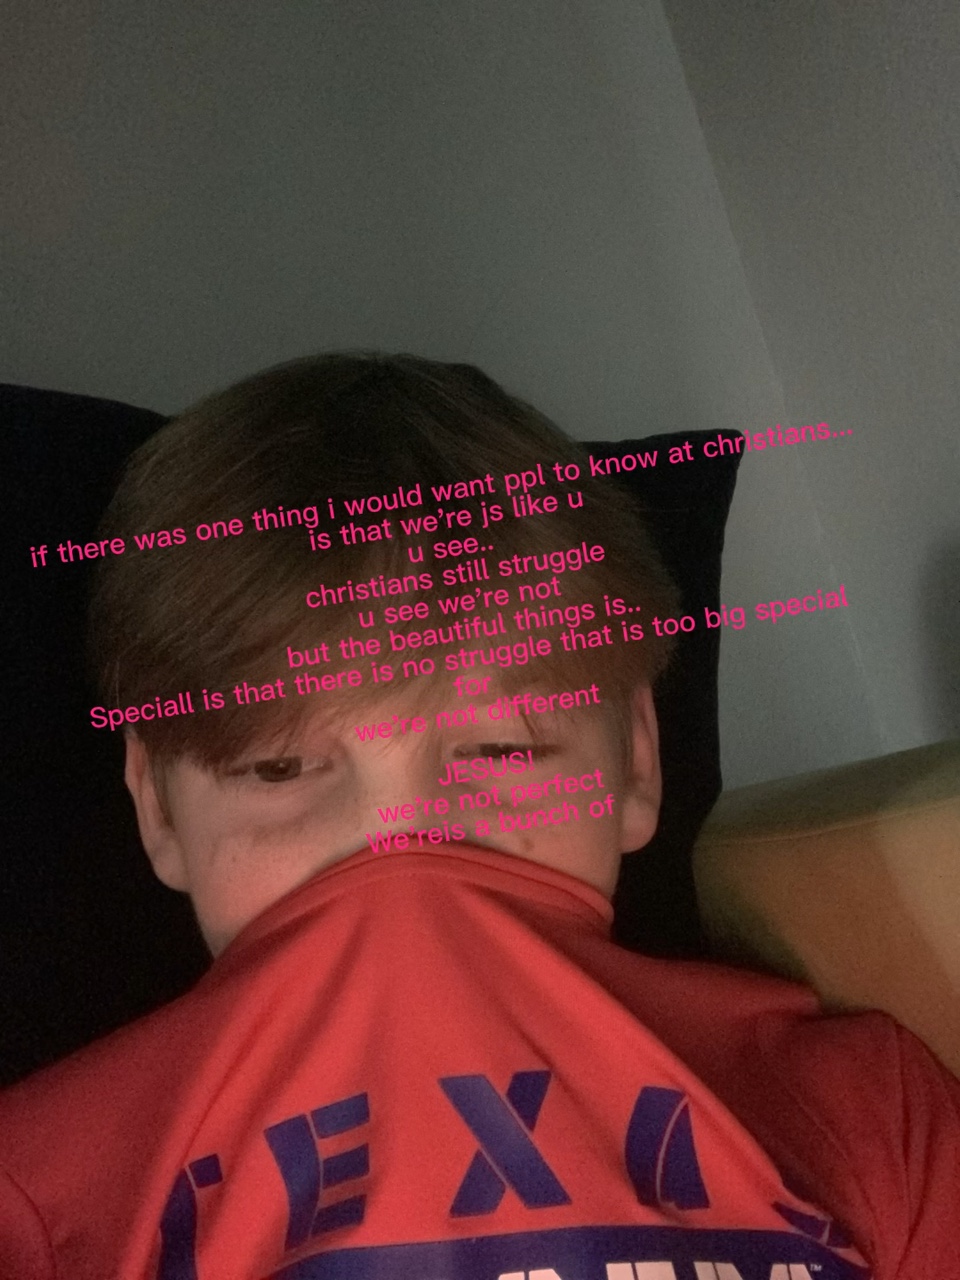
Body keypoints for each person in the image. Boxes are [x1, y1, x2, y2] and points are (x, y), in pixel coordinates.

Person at [0, 353, 956, 1279]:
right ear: (159, 810)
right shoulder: (40, 1189)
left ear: (634, 760)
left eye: (501, 750)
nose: (402, 850)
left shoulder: (861, 1107)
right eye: (279, 767)